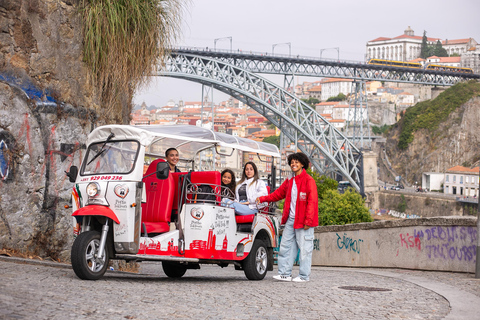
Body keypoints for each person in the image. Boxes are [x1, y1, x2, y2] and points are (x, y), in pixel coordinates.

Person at [256, 152, 318, 283]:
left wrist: (308, 220)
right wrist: (263, 199)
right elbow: (277, 194)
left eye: (296, 162)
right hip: (291, 219)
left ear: (302, 164)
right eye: (292, 162)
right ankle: (284, 273)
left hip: (304, 220)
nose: (293, 164)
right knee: (285, 246)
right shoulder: (290, 180)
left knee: (305, 249)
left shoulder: (309, 181)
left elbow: (312, 202)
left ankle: (303, 276)